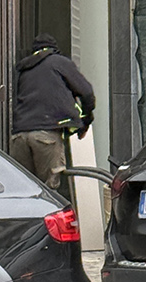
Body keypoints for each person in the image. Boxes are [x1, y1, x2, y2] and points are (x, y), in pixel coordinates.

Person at [9, 33, 96, 192]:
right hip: (46, 134)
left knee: (23, 189)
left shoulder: (23, 68)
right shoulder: (59, 62)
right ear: (54, 49)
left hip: (19, 135)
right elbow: (87, 93)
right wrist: (86, 120)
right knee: (48, 190)